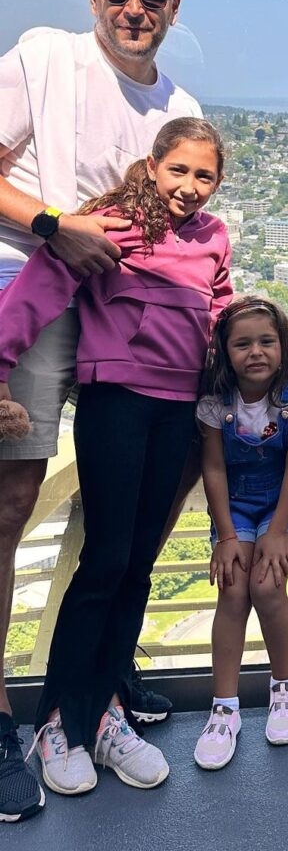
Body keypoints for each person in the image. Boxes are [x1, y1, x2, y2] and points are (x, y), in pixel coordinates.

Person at [0, 0, 200, 819]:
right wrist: (55, 225)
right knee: (10, 505)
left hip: (130, 314)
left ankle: (96, 673)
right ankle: (6, 716)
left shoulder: (179, 103)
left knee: (145, 495)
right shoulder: (45, 56)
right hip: (33, 281)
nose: (134, 8)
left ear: (172, 10)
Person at [0, 118, 231, 795]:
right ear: (154, 165)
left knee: (137, 567)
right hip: (117, 403)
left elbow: (216, 308)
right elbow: (36, 294)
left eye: (205, 175)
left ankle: (102, 715)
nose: (190, 187)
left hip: (178, 409)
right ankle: (57, 723)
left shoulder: (213, 236)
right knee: (104, 560)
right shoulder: (108, 225)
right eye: (179, 170)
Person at [193, 297, 288, 770]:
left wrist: (279, 530)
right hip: (235, 507)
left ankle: (284, 687)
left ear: (283, 345)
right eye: (242, 344)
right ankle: (224, 706)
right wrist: (227, 536)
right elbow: (215, 470)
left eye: (266, 341)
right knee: (232, 590)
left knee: (266, 586)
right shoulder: (213, 405)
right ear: (225, 352)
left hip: (282, 504)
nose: (256, 352)